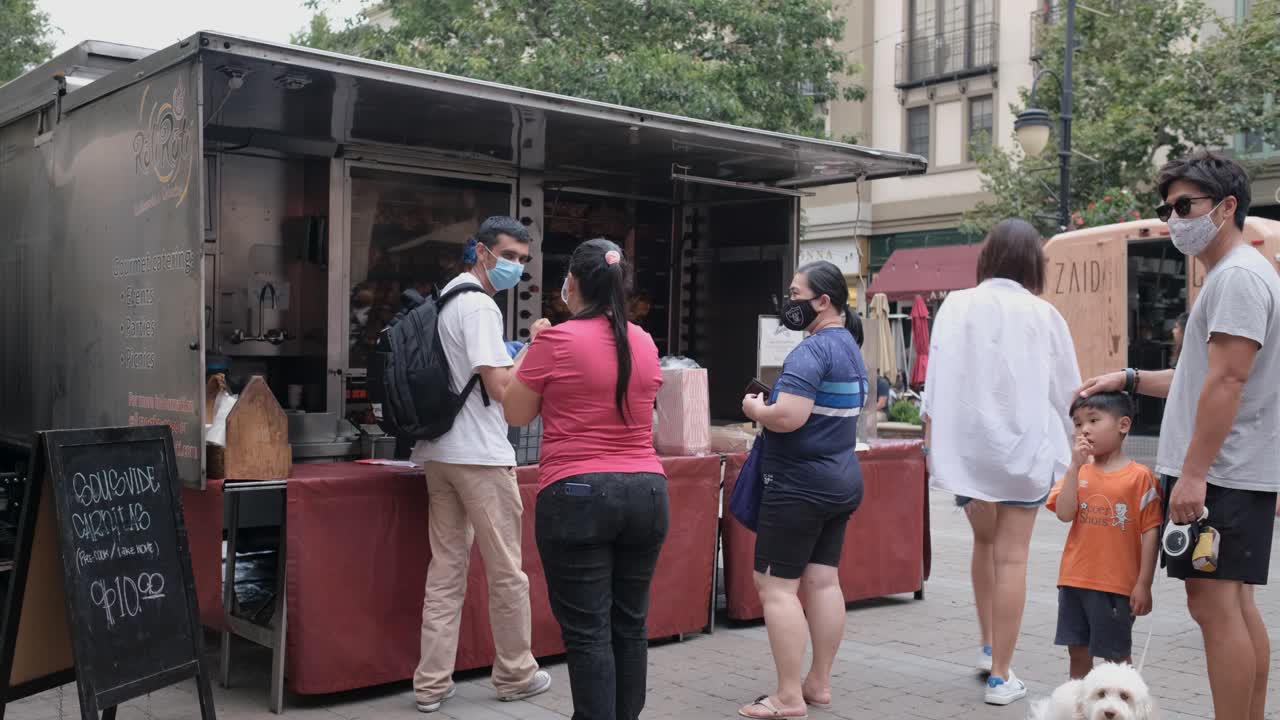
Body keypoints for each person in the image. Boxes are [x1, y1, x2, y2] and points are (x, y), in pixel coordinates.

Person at [1078, 150, 1280, 720]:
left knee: (1215, 608)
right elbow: (1201, 380)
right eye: (1168, 208)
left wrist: (1193, 475)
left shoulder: (1237, 277)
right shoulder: (1239, 274)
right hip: (1236, 471)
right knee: (1235, 604)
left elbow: (1228, 381)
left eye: (1184, 206)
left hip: (1221, 473)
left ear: (1228, 206)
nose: (1174, 219)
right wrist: (1131, 378)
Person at [503, 239, 667, 720]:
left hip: (578, 492)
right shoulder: (644, 340)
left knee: (588, 631)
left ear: (572, 283)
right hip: (648, 490)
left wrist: (533, 344)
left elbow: (515, 410)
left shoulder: (557, 340)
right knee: (630, 624)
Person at [922, 218, 1080, 706]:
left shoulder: (956, 303)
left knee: (982, 542)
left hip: (970, 453)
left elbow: (936, 375)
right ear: (1033, 261)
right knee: (1012, 556)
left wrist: (932, 441)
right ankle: (1001, 675)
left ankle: (987, 644)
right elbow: (1067, 392)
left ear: (988, 257)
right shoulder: (1044, 314)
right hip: (1023, 452)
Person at [410, 216, 551, 714]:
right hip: (480, 456)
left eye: (522, 260)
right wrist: (534, 347)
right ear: (481, 251)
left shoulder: (445, 298)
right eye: (509, 255)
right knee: (507, 571)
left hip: (439, 454)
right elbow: (502, 390)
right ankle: (515, 673)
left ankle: (430, 685)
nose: (516, 265)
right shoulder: (479, 306)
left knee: (445, 570)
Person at [736, 260, 868, 720]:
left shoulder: (810, 352)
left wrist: (756, 408)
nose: (788, 303)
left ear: (823, 301)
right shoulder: (850, 346)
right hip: (841, 479)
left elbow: (789, 415)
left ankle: (788, 697)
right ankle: (819, 683)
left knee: (776, 588)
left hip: (798, 485)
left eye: (795, 295)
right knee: (824, 579)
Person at [1046, 392, 1161, 679]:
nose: (1084, 429)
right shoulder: (1079, 471)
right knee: (1078, 653)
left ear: (1123, 425)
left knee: (1117, 658)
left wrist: (1143, 584)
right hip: (1074, 579)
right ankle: (1081, 708)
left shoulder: (1140, 477)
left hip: (1115, 585)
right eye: (1078, 423)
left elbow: (1151, 532)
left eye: (1094, 420)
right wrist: (1074, 466)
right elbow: (1064, 513)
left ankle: (1128, 707)